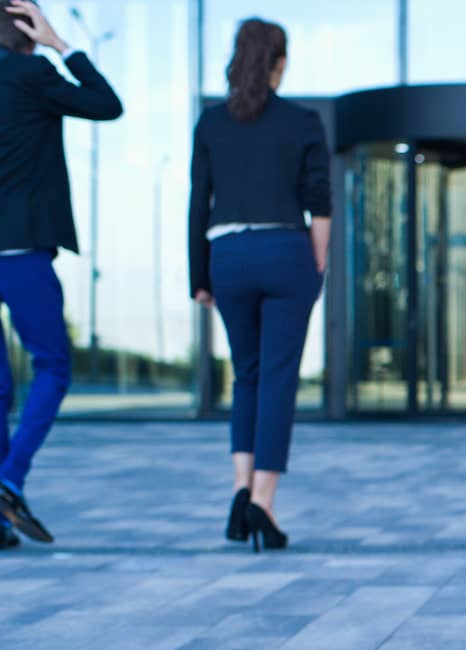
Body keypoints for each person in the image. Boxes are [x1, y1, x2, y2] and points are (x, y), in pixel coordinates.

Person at [190, 17, 330, 553]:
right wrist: (316, 266)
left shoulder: (211, 123)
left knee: (246, 375)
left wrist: (198, 276)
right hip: (284, 251)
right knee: (277, 378)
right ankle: (263, 501)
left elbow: (196, 204)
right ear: (279, 63)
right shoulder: (302, 121)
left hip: (226, 253)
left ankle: (240, 487)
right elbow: (320, 201)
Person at [0, 0, 122, 549]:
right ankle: (7, 481)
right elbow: (106, 105)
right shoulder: (34, 73)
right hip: (20, 249)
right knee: (53, 366)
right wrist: (62, 46)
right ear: (28, 30)